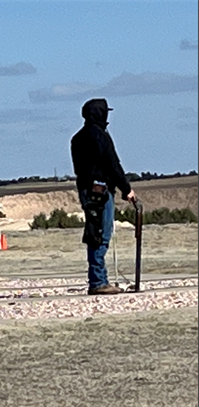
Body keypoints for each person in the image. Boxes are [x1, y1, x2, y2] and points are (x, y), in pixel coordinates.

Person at [70, 98, 136, 295]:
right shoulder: (100, 136)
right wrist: (126, 188)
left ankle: (99, 278)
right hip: (99, 190)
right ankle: (98, 281)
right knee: (100, 234)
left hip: (85, 188)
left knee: (94, 232)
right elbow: (112, 165)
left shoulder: (77, 138)